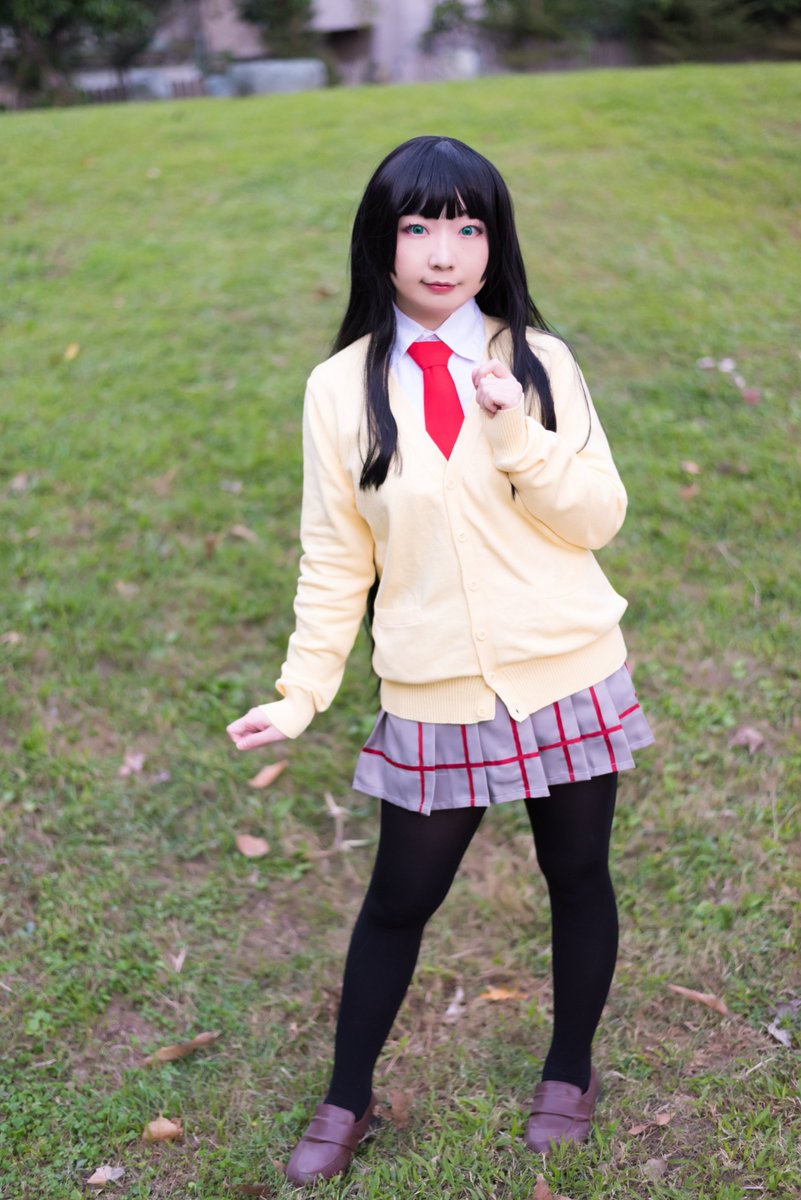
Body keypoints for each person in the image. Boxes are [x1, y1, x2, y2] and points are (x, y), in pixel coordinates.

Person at [226, 135, 654, 1184]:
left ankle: (568, 1072)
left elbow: (598, 516)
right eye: (418, 226)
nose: (444, 252)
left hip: (567, 670)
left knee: (577, 874)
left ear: (494, 240)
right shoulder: (339, 388)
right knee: (398, 900)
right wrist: (301, 692)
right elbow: (337, 557)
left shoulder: (540, 362)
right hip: (435, 689)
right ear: (381, 240)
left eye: (468, 226)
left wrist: (518, 437)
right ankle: (348, 1097)